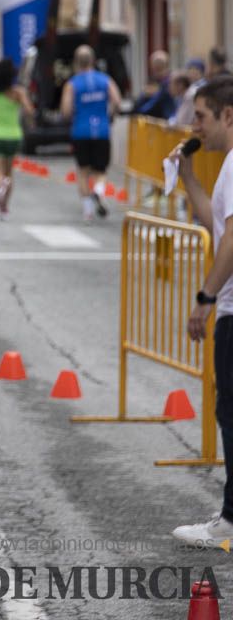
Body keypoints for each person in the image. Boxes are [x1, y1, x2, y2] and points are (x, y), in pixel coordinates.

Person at [170, 76, 233, 547]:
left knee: (229, 412)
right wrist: (188, 177)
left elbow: (232, 237)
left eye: (202, 116)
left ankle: (231, 519)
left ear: (228, 115)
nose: (195, 126)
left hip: (232, 307)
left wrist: (206, 296)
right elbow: (213, 223)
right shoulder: (225, 166)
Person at [60, 45, 121, 222]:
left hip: (81, 131)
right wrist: (109, 115)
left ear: (76, 62)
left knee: (83, 172)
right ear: (93, 60)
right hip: (102, 130)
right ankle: (99, 190)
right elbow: (117, 101)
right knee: (100, 170)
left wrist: (72, 116)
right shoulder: (105, 80)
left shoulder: (72, 84)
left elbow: (65, 110)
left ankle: (88, 211)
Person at [0, 59, 33, 220]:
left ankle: (0, 185)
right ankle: (5, 209)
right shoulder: (18, 93)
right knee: (9, 173)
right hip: (13, 136)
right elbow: (29, 110)